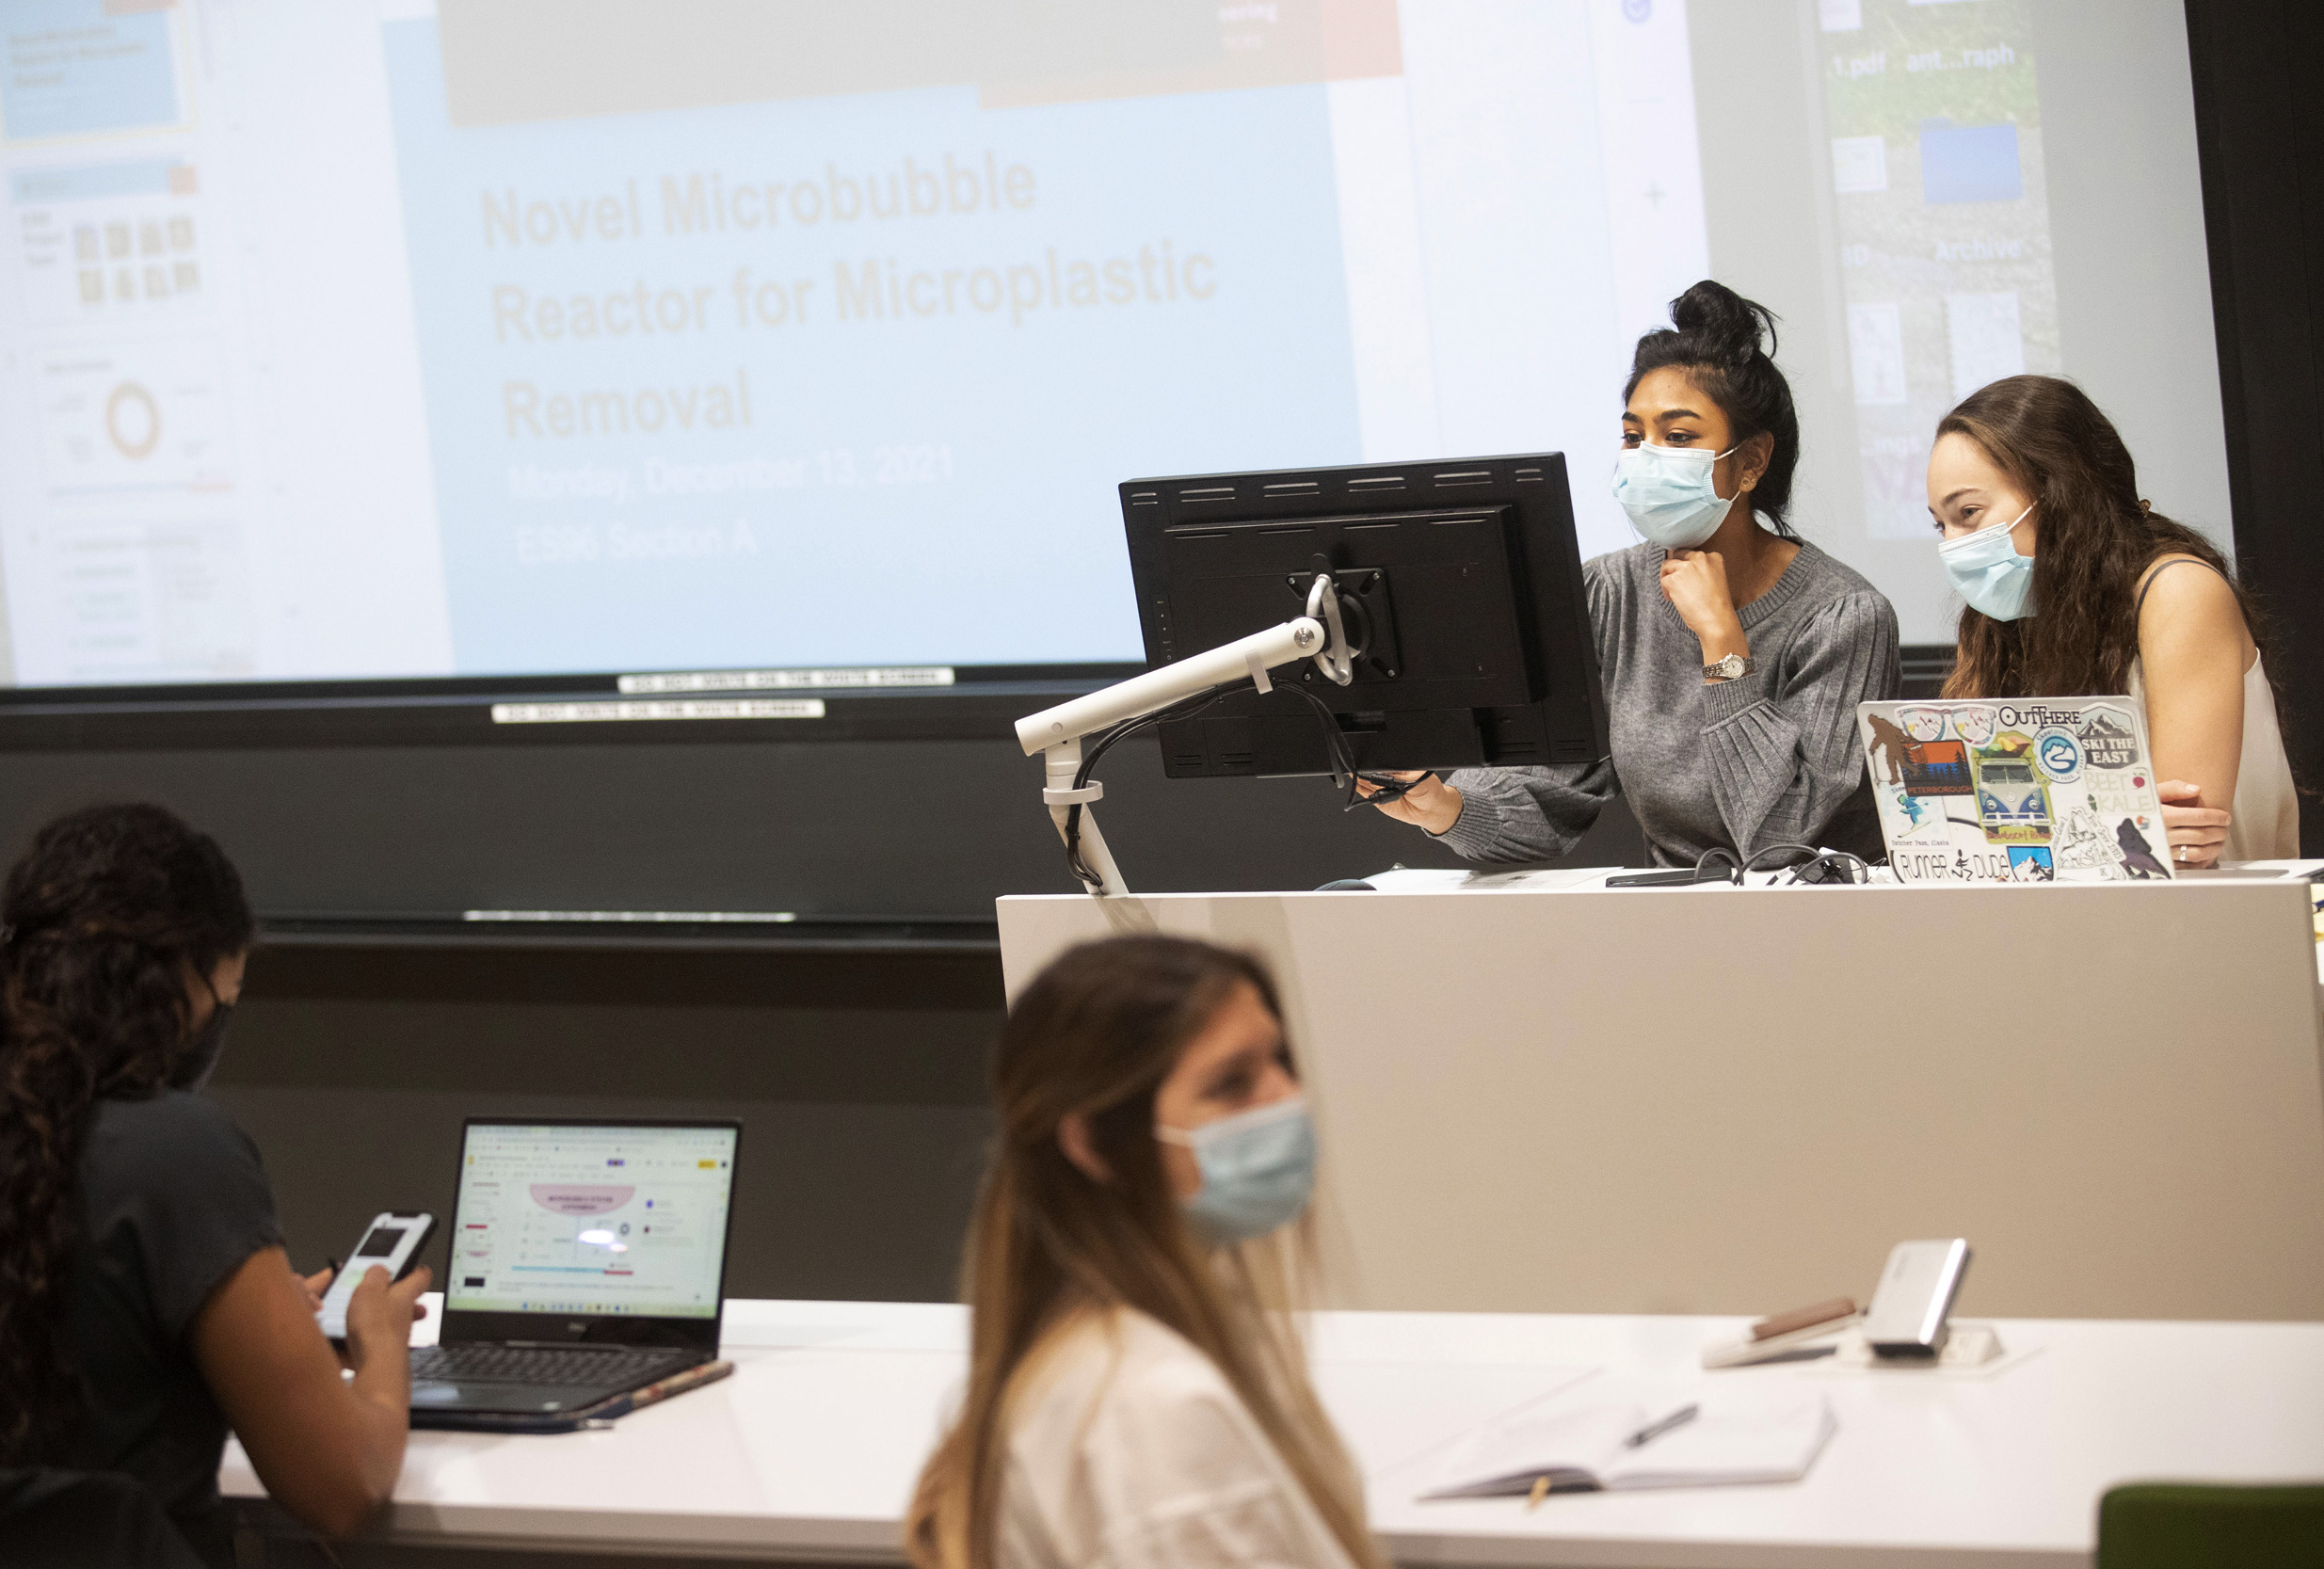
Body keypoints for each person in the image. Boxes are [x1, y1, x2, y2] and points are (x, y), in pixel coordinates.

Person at [0, 804, 428, 1565]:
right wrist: (380, 1349)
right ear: (177, 982)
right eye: (226, 999)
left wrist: (233, 1312)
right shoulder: (177, 1153)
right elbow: (341, 1488)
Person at [1362, 280, 1901, 868]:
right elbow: (1551, 791)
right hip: (1673, 922)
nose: (1646, 456)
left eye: (1677, 437)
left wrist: (1723, 646)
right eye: (1632, 436)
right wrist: (1443, 805)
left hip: (1828, 922)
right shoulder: (1609, 593)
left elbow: (1778, 839)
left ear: (1750, 462)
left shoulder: (1843, 616)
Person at [904, 934, 1385, 1569]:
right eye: (1232, 1082)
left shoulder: (1120, 1348)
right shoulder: (1156, 1408)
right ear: (1094, 1143)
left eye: (1281, 1061)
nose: (1286, 1098)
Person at [1927, 375, 2298, 865]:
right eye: (1940, 523)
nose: (1953, 544)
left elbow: (2186, 849)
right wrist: (2113, 828)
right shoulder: (2002, 621)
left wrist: (2036, 830)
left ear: (2058, 490)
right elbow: (1961, 821)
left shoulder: (2179, 590)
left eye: (1968, 512)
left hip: (2211, 920)